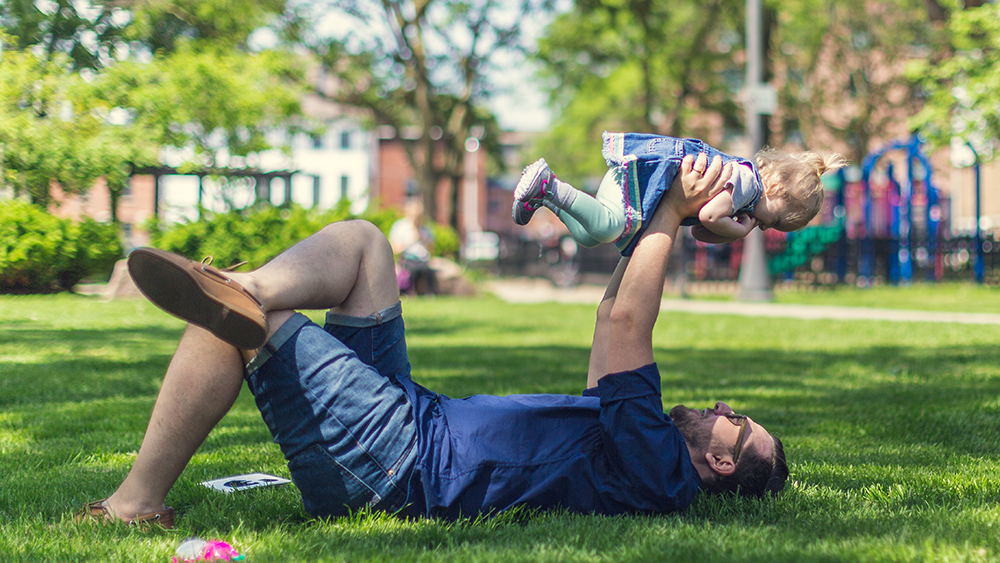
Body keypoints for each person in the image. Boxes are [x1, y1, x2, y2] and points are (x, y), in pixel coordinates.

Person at [77, 153, 787, 528]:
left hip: (396, 465)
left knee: (242, 328)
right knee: (365, 246)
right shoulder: (635, 443)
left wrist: (671, 207)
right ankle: (252, 287)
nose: (723, 405)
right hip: (412, 418)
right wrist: (673, 218)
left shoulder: (657, 470)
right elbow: (612, 318)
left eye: (737, 418)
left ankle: (137, 501)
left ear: (723, 461)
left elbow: (634, 323)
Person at [513, 131, 848, 254]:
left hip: (635, 183)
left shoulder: (740, 198)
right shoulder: (746, 183)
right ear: (773, 187)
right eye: (772, 220)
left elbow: (703, 231)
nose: (762, 226)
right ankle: (550, 184)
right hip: (642, 178)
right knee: (606, 227)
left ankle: (543, 197)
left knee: (588, 237)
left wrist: (729, 232)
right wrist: (739, 229)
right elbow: (708, 216)